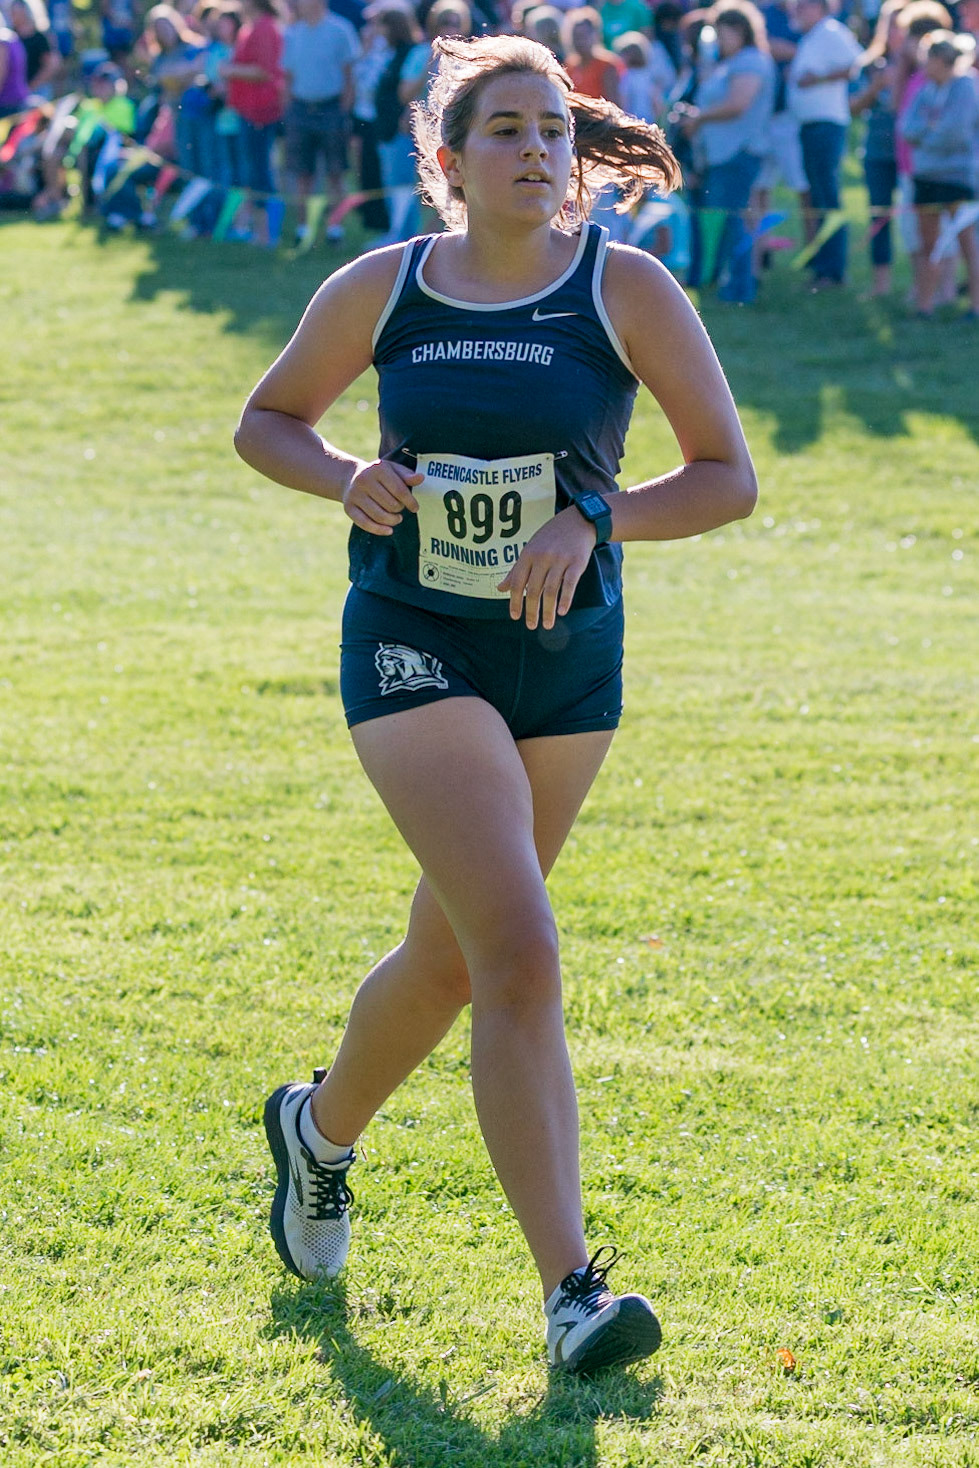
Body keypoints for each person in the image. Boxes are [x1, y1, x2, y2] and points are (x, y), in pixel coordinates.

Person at [234, 31, 757, 1373]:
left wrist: (596, 516)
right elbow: (267, 421)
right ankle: (573, 1292)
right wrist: (344, 473)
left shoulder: (623, 286)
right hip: (415, 642)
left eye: (552, 129)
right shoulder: (385, 285)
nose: (535, 150)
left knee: (457, 956)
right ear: (449, 159)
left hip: (565, 658)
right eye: (506, 130)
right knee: (519, 948)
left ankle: (317, 1129)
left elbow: (724, 477)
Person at [679, 0, 775, 302]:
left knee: (733, 222)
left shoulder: (751, 61)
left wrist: (699, 118)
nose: (717, 40)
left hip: (738, 153)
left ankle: (738, 289)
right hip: (722, 154)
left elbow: (738, 104)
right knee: (725, 222)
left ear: (739, 30)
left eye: (721, 33)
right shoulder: (730, 63)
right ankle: (726, 284)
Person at [899, 28, 979, 315]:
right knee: (928, 244)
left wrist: (926, 136)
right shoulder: (926, 89)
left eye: (930, 59)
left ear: (943, 61)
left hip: (958, 177)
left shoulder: (966, 87)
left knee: (968, 243)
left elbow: (956, 132)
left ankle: (975, 305)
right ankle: (925, 305)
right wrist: (931, 131)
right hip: (926, 176)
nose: (925, 64)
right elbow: (906, 128)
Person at [787, 0, 863, 288]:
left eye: (804, 5)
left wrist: (818, 79)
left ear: (820, 7)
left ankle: (832, 269)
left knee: (826, 197)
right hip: (812, 125)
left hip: (826, 125)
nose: (798, 10)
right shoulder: (813, 36)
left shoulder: (831, 31)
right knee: (819, 196)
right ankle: (824, 266)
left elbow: (857, 64)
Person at [282, 0, 360, 247]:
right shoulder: (293, 33)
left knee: (335, 173)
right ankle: (303, 228)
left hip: (331, 108)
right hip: (301, 109)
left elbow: (349, 76)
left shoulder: (340, 30)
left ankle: (335, 228)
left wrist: (343, 110)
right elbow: (288, 76)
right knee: (302, 173)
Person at [850, 0, 903, 297]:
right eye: (892, 25)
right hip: (877, 151)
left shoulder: (923, 64)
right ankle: (881, 285)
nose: (897, 32)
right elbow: (852, 106)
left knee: (920, 219)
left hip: (912, 155)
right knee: (879, 217)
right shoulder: (870, 64)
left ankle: (931, 288)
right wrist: (876, 86)